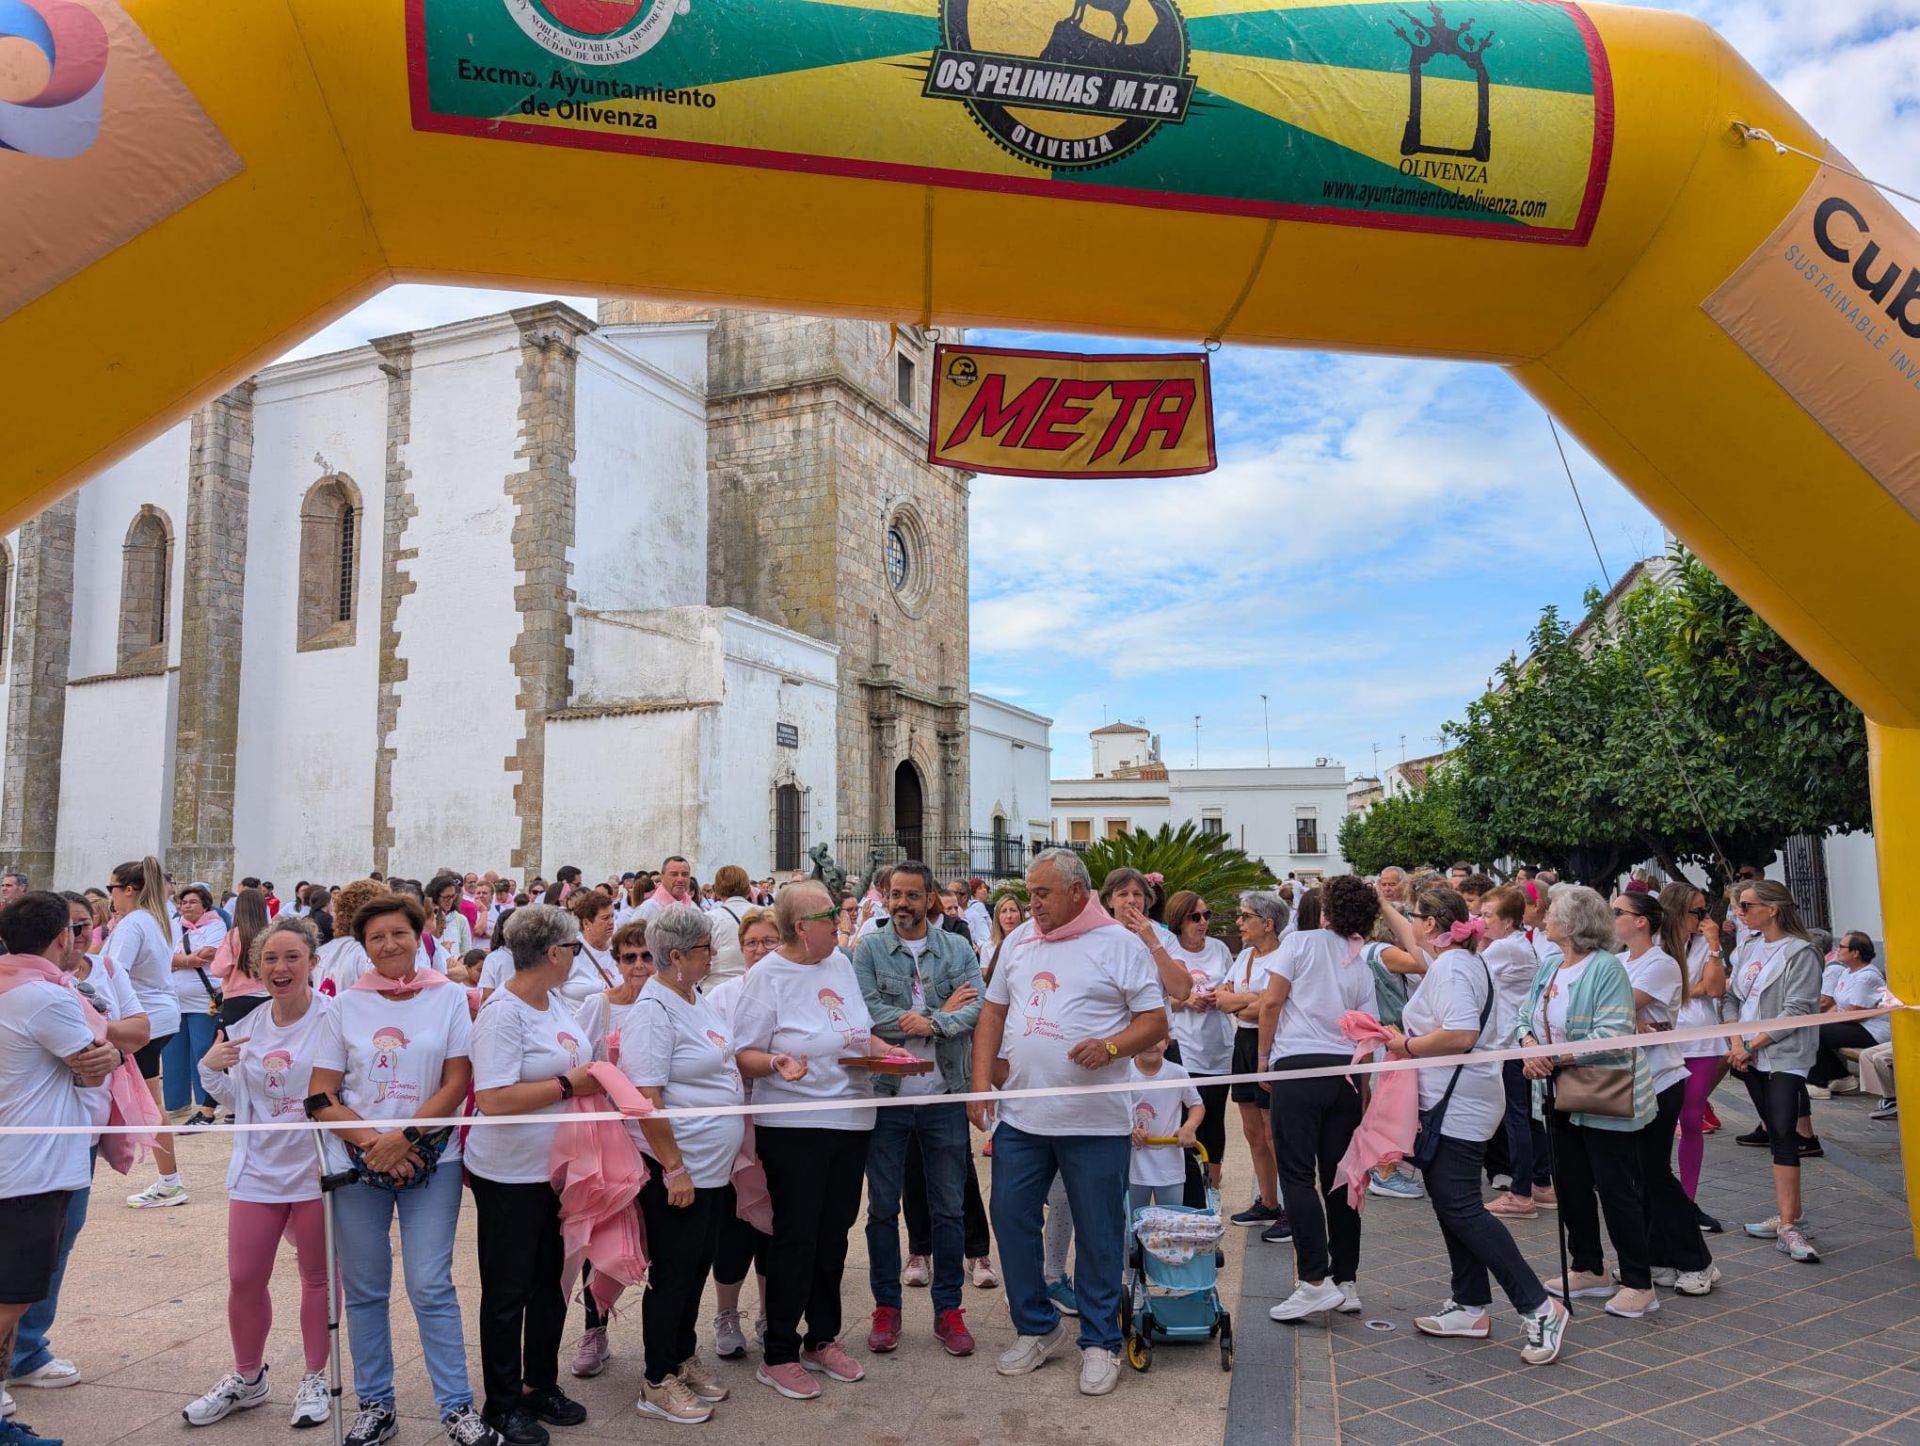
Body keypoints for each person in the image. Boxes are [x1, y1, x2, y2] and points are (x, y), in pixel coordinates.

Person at [308, 893, 503, 1446]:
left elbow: (456, 1083)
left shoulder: (447, 999)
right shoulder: (344, 1004)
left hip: (432, 1159)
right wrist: (376, 1143)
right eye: (376, 937)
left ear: (419, 935)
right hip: (360, 1163)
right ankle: (377, 1403)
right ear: (362, 946)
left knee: (430, 1283)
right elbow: (320, 1094)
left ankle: (456, 1407)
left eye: (398, 933)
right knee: (366, 1288)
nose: (389, 944)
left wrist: (406, 1137)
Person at [971, 848, 1167, 1398]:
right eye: (1029, 894)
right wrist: (979, 1082)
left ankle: (1102, 1341)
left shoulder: (1119, 945)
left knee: (1100, 1232)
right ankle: (1038, 1327)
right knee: (1009, 1214)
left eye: (1041, 894)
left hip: (1096, 1123)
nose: (1031, 905)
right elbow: (993, 1011)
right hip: (1023, 1117)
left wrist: (1110, 1047)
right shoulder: (1019, 941)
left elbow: (1154, 1020)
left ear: (1077, 893)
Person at [1382, 884, 1568, 1366]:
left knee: (1462, 1207)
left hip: (1458, 1104)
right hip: (1457, 1099)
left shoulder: (1454, 968)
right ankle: (1469, 1304)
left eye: (1414, 916)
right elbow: (1413, 939)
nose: (1410, 923)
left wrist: (1406, 1046)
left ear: (1431, 924)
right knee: (1449, 1204)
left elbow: (1461, 1033)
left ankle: (1539, 1306)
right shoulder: (1458, 961)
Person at [732, 880, 894, 1401]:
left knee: (834, 1232)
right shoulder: (767, 976)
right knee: (796, 1235)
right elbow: (745, 1052)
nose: (840, 921)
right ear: (801, 927)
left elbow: (856, 1031)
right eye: (831, 914)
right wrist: (777, 1062)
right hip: (796, 1124)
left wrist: (889, 1054)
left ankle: (821, 1338)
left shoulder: (840, 964)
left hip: (851, 1118)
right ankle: (778, 1349)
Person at [186, 917, 335, 1430]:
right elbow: (242, 1098)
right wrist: (209, 1070)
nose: (280, 967)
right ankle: (248, 1378)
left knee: (318, 1279)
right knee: (245, 1278)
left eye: (293, 957)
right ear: (256, 967)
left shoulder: (333, 1020)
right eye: (270, 959)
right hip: (256, 1171)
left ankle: (317, 1376)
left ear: (313, 963)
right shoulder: (247, 1026)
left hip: (317, 1172)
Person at [6, 892, 151, 1401]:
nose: (82, 935)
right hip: (33, 1161)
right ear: (61, 936)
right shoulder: (43, 994)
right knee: (16, 1282)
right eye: (75, 927)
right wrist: (105, 1047)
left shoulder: (44, 985)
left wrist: (102, 1045)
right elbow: (94, 1063)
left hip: (61, 1149)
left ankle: (19, 1364)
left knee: (40, 1263)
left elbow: (133, 1034)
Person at [467, 905, 597, 1445]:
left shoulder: (555, 1002)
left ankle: (539, 1381)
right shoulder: (504, 1012)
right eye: (575, 948)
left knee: (551, 1283)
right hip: (510, 1172)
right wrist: (569, 1086)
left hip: (557, 1169)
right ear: (553, 953)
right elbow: (494, 1098)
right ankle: (501, 1402)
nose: (578, 957)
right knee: (509, 1287)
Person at [853, 861, 985, 1360]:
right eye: (895, 895)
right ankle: (887, 1307)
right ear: (885, 899)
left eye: (912, 895)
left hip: (943, 1096)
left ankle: (948, 1309)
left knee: (949, 1207)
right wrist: (938, 1014)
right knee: (882, 1209)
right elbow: (865, 1013)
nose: (902, 903)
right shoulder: (866, 949)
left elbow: (978, 1003)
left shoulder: (954, 947)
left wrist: (934, 1024)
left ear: (930, 897)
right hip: (886, 1099)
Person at [1513, 885, 1657, 1318]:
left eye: (1552, 911)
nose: (1544, 916)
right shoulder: (1552, 964)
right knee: (1571, 1185)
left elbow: (1614, 1033)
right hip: (1558, 1094)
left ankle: (1639, 1281)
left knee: (1615, 1189)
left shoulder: (1606, 968)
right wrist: (1528, 1045)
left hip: (1602, 1094)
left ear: (1573, 923)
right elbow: (1523, 1016)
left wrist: (1552, 1056)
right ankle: (1588, 1267)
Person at [623, 904, 741, 1425]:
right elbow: (645, 1096)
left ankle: (681, 1354)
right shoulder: (653, 1011)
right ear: (675, 957)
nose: (711, 956)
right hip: (680, 1168)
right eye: (703, 950)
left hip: (713, 1166)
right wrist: (673, 1167)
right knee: (673, 1272)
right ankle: (656, 1378)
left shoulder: (695, 997)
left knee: (696, 1266)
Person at [1257, 876, 1380, 1322]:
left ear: (1327, 911)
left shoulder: (1300, 942)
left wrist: (1264, 1058)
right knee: (1340, 1178)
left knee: (1295, 1173)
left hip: (1299, 1067)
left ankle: (1313, 1281)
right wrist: (1363, 1095)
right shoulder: (1360, 962)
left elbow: (1271, 1003)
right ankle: (1346, 1280)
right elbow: (1368, 1033)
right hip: (1345, 1075)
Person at [1612, 890, 1717, 1296]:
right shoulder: (1619, 961)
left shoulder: (1661, 964)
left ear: (1641, 921)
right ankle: (1657, 1255)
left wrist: (1626, 1021)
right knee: (1640, 1172)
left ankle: (1698, 1261)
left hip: (1660, 1079)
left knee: (1655, 1173)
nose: (1612, 918)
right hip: (1627, 1079)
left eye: (1618, 912)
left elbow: (1615, 1007)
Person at [564, 920, 655, 1380]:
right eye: (629, 957)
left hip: (656, 1138)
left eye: (646, 955)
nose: (638, 965)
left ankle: (663, 1342)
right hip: (610, 1140)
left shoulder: (667, 1007)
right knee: (602, 1235)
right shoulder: (597, 1007)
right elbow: (577, 1064)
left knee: (656, 1237)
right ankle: (594, 1327)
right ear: (616, 962)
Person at [1725, 879, 1824, 1263]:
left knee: (1784, 1129)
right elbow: (1733, 997)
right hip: (1748, 1053)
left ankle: (1788, 1224)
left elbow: (1798, 1009)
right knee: (1772, 1127)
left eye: (1747, 906)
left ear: (1772, 909)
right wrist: (1736, 1043)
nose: (1740, 912)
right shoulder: (1748, 946)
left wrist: (1751, 1044)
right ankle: (1789, 1213)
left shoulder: (1802, 952)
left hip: (1784, 1055)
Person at [706, 907, 778, 1362]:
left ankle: (770, 1314)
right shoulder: (722, 995)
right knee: (733, 1225)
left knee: (773, 1223)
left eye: (768, 942)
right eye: (751, 942)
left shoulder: (789, 987)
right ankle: (726, 1314)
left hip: (779, 1119)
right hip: (734, 1121)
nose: (758, 951)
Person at [108, 857, 190, 1210]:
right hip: (158, 1017)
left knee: (146, 1103)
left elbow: (114, 972)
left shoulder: (134, 923)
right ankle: (169, 1180)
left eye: (112, 887)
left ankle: (171, 1182)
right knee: (149, 1101)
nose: (110, 895)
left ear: (129, 890)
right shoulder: (154, 920)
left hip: (141, 1019)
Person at [1213, 890, 1289, 1238]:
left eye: (1245, 916)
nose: (1238, 922)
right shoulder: (1244, 955)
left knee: (1275, 1131)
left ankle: (1291, 1207)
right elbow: (1222, 997)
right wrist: (1248, 1001)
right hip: (1244, 1041)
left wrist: (1240, 1003)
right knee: (1252, 1130)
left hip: (1270, 1043)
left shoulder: (1284, 957)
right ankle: (1268, 1202)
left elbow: (1269, 1005)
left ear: (1268, 923)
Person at [1477, 885, 1553, 1219]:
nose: (1481, 921)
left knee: (1517, 1117)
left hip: (1510, 1042)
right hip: (1519, 1040)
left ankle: (1521, 1193)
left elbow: (1470, 973)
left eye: (1487, 915)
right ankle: (1540, 1181)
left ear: (1508, 921)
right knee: (1530, 1116)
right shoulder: (1517, 944)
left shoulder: (1504, 948)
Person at [1656, 881, 1727, 1232]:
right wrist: (1689, 988)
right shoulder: (1653, 944)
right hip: (1662, 1039)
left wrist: (1714, 945)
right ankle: (1660, 1193)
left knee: (1692, 1116)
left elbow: (1715, 988)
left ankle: (1687, 1200)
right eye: (1697, 911)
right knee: (1658, 1119)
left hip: (1701, 1039)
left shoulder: (1704, 944)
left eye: (1705, 910)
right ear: (1675, 912)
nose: (1704, 918)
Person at [1162, 890, 1232, 1191]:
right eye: (1195, 917)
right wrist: (1186, 1001)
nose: (1202, 922)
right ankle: (1188, 1186)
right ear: (1179, 921)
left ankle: (1213, 1186)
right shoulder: (1167, 950)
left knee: (1214, 1120)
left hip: (1218, 1046)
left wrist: (1221, 997)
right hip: (1184, 1046)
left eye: (1207, 915)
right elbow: (1158, 997)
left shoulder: (1218, 949)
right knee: (1186, 1117)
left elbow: (1232, 985)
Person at [1809, 931, 1889, 1096]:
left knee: (1815, 1031)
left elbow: (1855, 1014)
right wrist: (1820, 1018)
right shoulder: (1847, 972)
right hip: (1856, 1024)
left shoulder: (1867, 977)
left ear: (1855, 953)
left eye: (1842, 947)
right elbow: (1838, 1006)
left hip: (1873, 1029)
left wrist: (1825, 1022)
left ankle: (1821, 1083)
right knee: (1811, 1026)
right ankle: (1839, 1076)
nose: (1838, 949)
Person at [209, 887, 272, 1032]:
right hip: (267, 995)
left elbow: (219, 969)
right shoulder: (272, 934)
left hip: (237, 998)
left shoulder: (233, 935)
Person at [556, 892, 619, 1005]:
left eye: (612, 916)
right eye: (605, 918)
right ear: (586, 923)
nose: (611, 922)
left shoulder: (621, 951)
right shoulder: (570, 952)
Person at [705, 865, 754, 989]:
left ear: (718, 890)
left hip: (716, 988)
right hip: (756, 986)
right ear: (748, 888)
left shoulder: (709, 919)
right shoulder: (767, 915)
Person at [429, 874, 473, 964]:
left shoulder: (461, 919)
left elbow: (466, 952)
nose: (450, 900)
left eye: (453, 896)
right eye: (446, 897)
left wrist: (459, 961)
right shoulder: (427, 919)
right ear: (435, 896)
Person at [981, 893, 1026, 981]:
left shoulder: (1030, 942)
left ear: (1021, 915)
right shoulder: (988, 947)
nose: (1009, 916)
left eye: (1013, 910)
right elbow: (987, 979)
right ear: (997, 917)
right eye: (1003, 911)